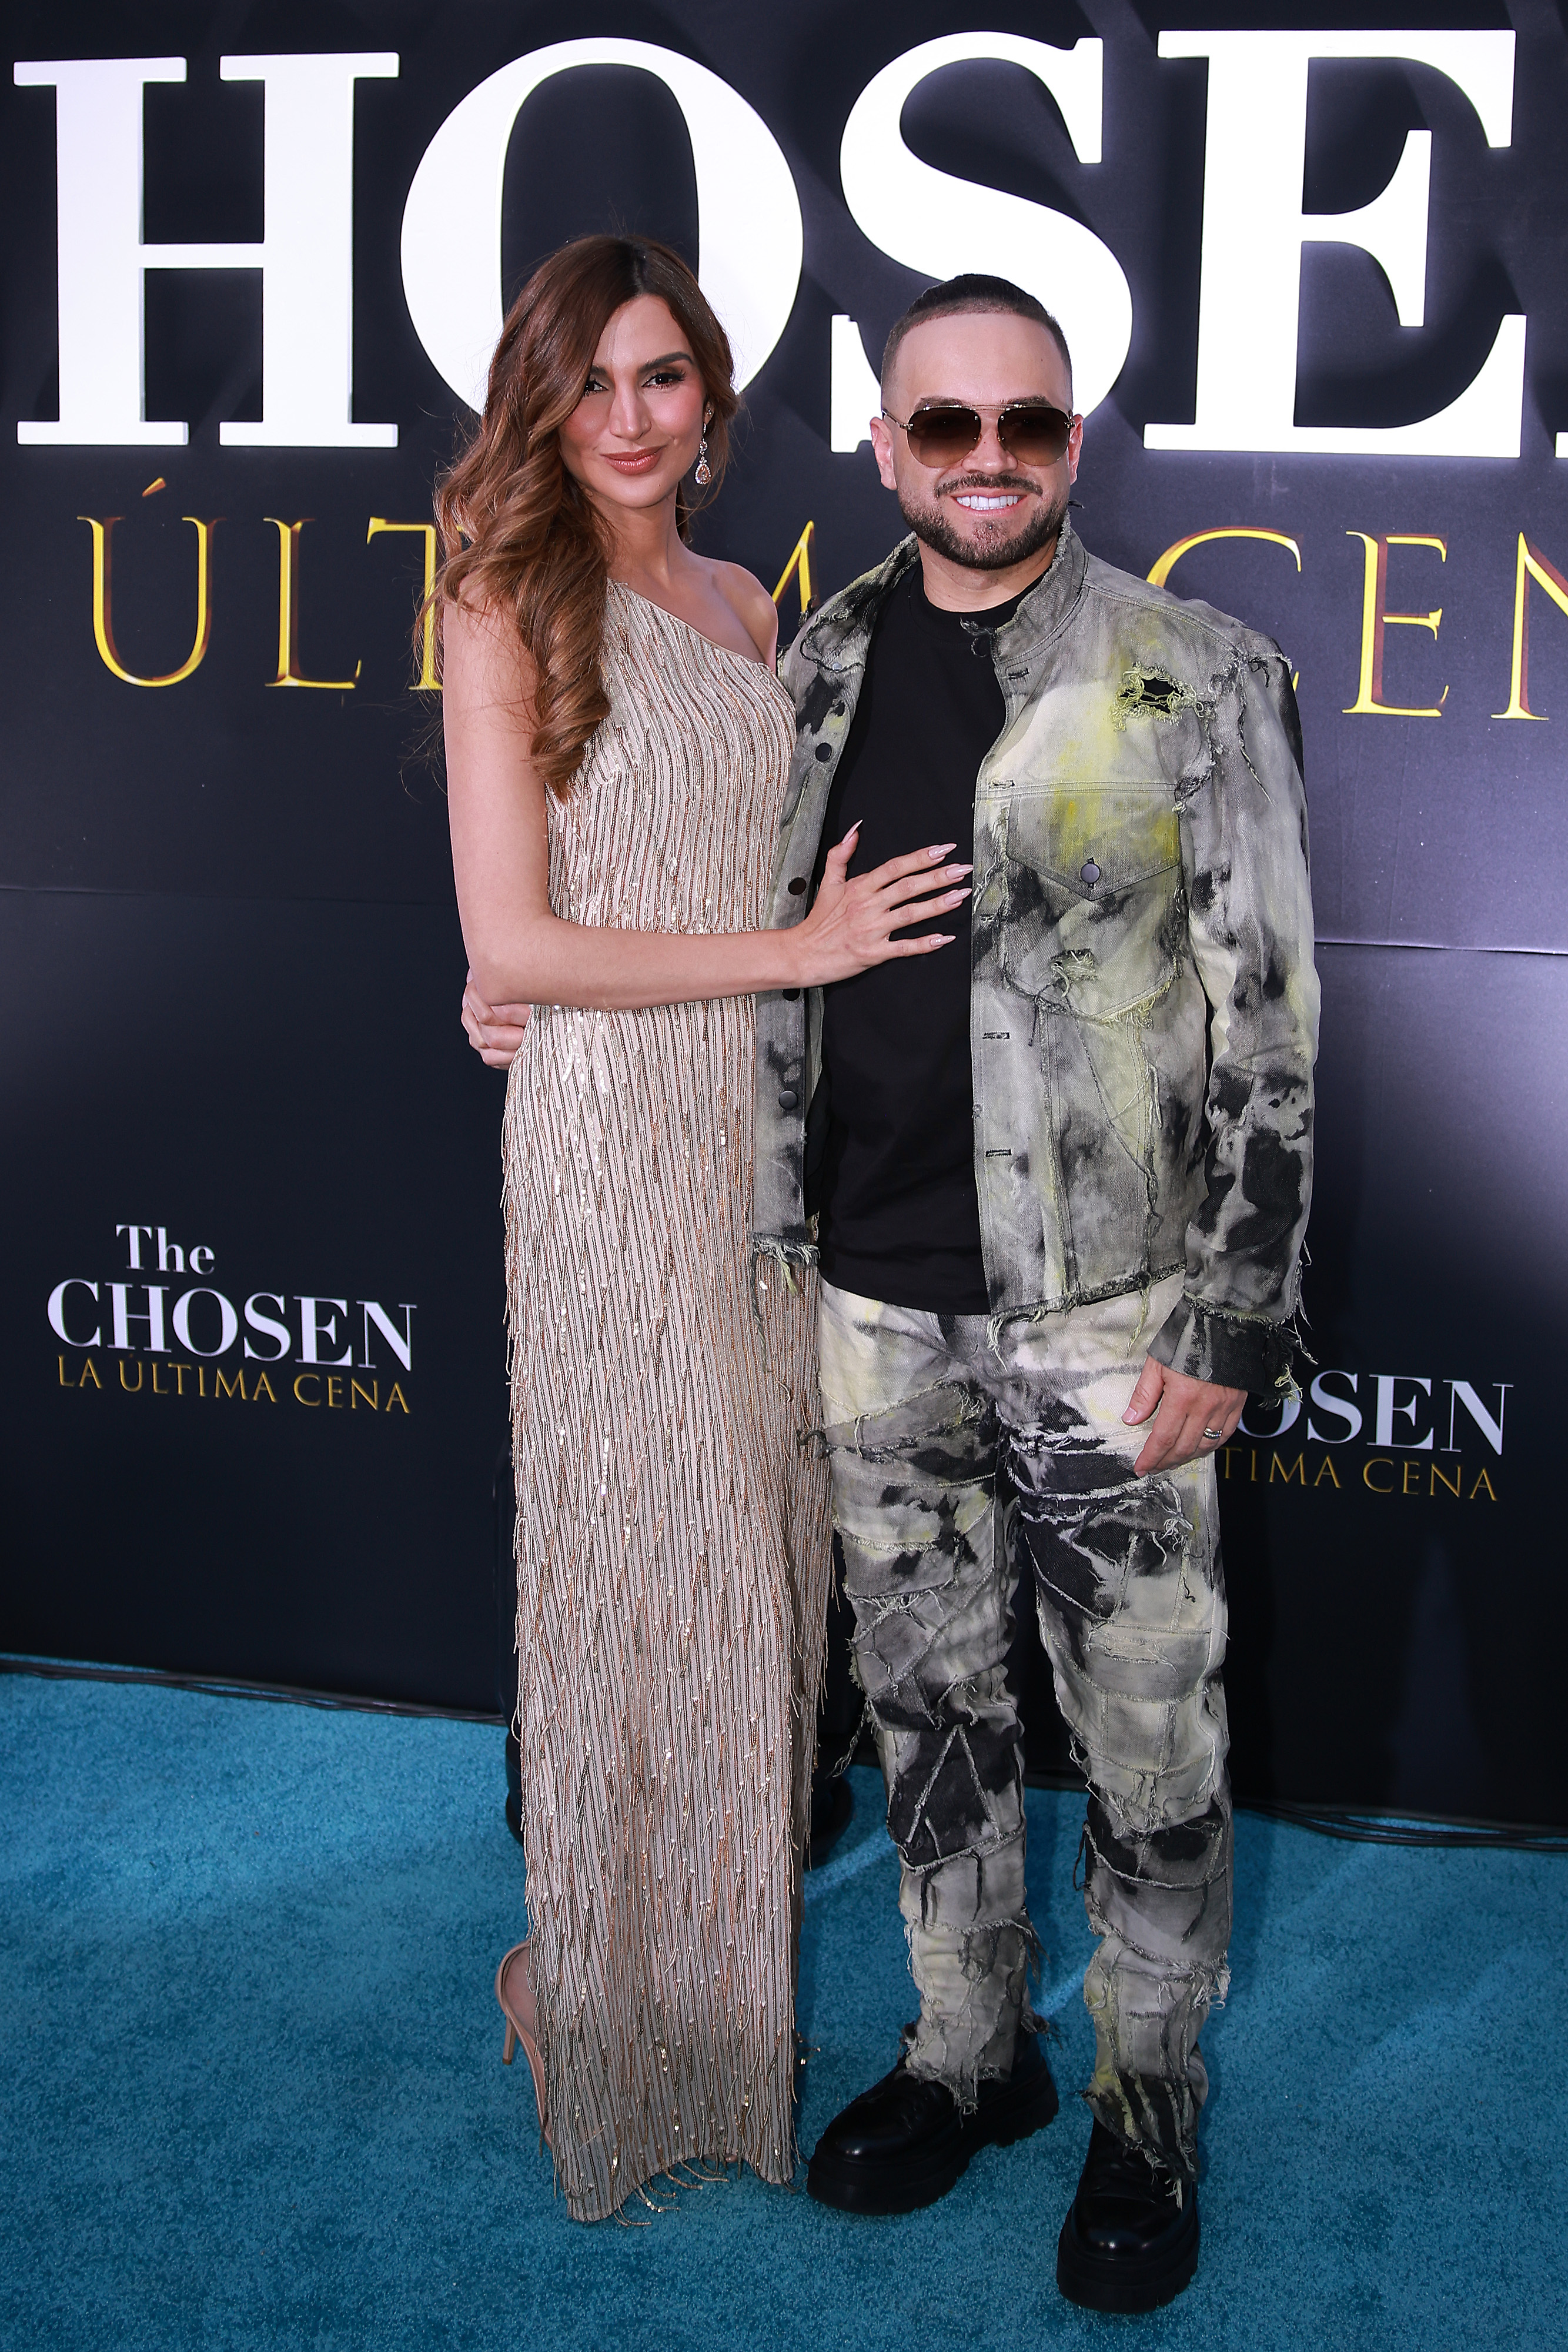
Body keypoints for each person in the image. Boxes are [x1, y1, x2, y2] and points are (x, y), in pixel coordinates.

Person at [746, 276, 1319, 2314]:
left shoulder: (1193, 674)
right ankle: (965, 2050)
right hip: (872, 1308)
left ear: (1072, 442)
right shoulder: (813, 669)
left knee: (1148, 1737)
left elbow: (1268, 1026)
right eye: (946, 426)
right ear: (883, 442)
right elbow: (771, 982)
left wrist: (1233, 1317)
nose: (987, 460)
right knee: (924, 1712)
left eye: (1029, 427)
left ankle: (1144, 2103)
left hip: (1110, 1320)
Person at [439, 233, 971, 2223]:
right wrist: (790, 947)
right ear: (541, 407)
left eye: (663, 378)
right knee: (630, 1573)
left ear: (713, 393)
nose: (633, 420)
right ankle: (571, 1977)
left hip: (764, 1147)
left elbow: (629, 898)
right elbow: (516, 934)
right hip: (603, 1153)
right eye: (592, 388)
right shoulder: (503, 592)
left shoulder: (750, 603)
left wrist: (782, 965)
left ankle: (691, 1994)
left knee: (753, 1594)